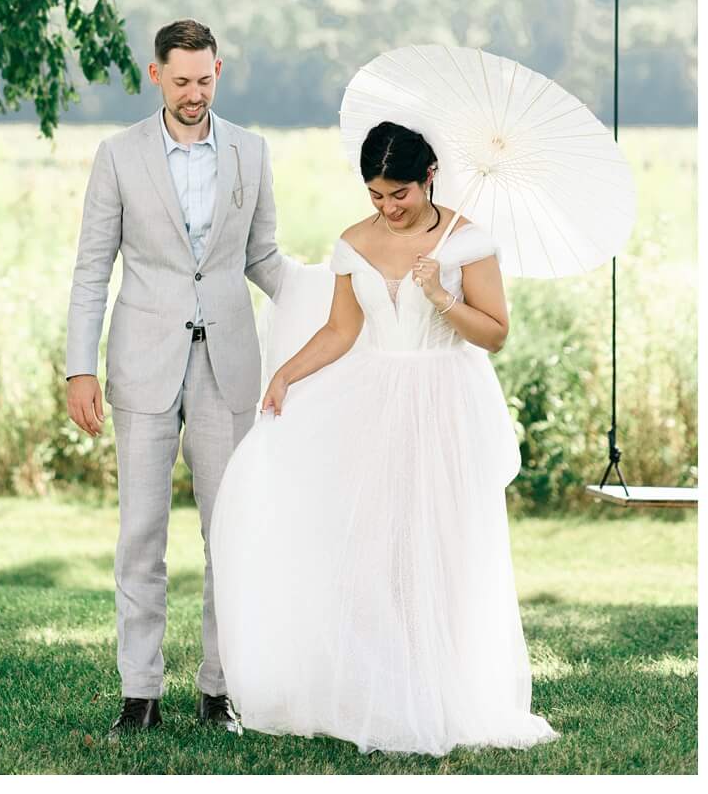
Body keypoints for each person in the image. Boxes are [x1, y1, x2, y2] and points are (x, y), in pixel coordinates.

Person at [208, 120, 554, 755]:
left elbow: (496, 333)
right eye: (376, 195)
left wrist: (438, 296)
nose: (389, 208)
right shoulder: (354, 242)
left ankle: (445, 685)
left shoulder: (467, 241)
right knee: (376, 545)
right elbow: (341, 331)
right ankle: (383, 683)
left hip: (444, 399)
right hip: (374, 400)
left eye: (400, 194)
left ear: (429, 178)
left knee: (441, 543)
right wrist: (286, 373)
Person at [64, 18, 287, 739]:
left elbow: (264, 258)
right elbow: (92, 267)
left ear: (220, 70)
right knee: (141, 533)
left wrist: (337, 291)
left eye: (206, 79)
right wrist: (79, 366)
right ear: (156, 74)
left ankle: (219, 688)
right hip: (141, 362)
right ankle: (141, 691)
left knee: (231, 533)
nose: (195, 94)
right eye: (181, 80)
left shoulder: (252, 153)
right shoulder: (118, 155)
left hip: (228, 364)